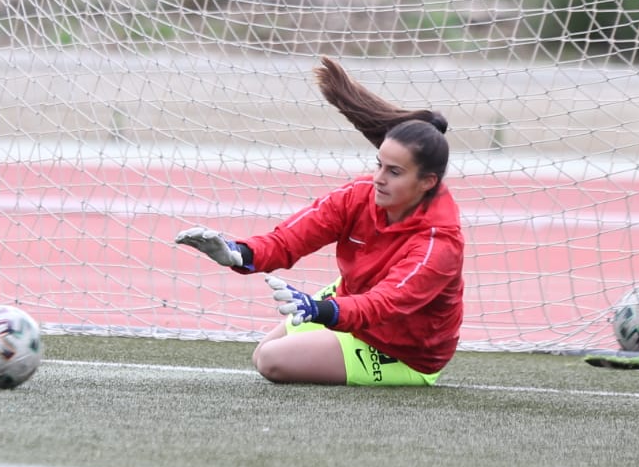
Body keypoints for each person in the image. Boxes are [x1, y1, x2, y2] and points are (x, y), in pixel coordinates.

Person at [174, 58, 463, 386]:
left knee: (272, 361)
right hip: (355, 302)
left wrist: (323, 310)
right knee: (264, 352)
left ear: (427, 182)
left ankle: (409, 373)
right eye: (379, 165)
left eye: (394, 172)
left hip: (403, 349)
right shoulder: (360, 195)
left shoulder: (438, 244)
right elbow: (289, 240)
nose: (378, 179)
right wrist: (239, 253)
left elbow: (384, 303)